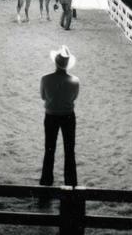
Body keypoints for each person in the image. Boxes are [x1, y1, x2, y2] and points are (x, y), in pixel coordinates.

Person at [39, 46, 79, 187]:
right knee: (69, 150)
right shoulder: (75, 80)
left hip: (51, 116)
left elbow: (43, 97)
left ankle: (46, 180)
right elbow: (74, 98)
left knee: (49, 148)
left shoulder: (45, 79)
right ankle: (71, 182)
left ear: (55, 62)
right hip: (68, 116)